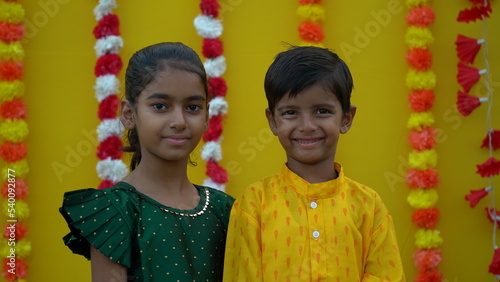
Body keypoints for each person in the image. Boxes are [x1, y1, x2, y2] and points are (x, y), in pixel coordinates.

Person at [223, 46, 405, 281]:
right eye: (290, 112)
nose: (307, 126)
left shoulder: (368, 206)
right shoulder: (253, 205)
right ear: (273, 120)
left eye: (322, 111)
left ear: (346, 118)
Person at [60, 42, 234, 281]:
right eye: (160, 106)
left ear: (206, 116)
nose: (179, 121)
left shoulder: (224, 209)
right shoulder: (115, 211)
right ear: (129, 114)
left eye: (193, 107)